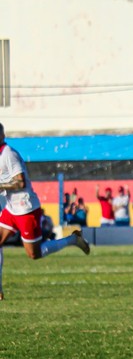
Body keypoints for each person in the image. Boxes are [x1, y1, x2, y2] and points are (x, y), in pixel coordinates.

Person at [0, 121, 90, 300]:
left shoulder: (8, 154)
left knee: (34, 254)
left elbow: (20, 182)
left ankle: (72, 239)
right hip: (11, 208)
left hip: (26, 209)